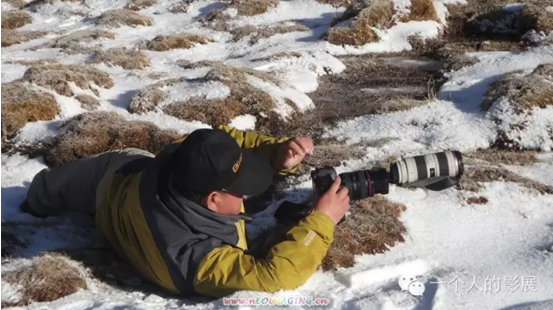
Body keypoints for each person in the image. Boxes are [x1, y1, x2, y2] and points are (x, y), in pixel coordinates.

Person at [21, 125, 350, 298]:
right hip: (112, 187)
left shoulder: (183, 154)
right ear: (212, 201)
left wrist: (276, 153)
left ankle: (31, 201)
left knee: (46, 189)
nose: (250, 192)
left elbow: (220, 140)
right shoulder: (195, 257)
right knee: (50, 189)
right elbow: (276, 277)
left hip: (122, 172)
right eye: (241, 189)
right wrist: (322, 220)